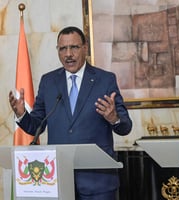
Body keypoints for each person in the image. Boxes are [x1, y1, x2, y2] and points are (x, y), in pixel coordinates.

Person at [9, 26, 132, 200]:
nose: (68, 54)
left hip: (98, 182)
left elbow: (126, 127)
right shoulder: (48, 82)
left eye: (74, 47)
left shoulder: (105, 80)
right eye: (63, 49)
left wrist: (114, 118)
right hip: (58, 181)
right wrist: (22, 115)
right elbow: (37, 125)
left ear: (85, 48)